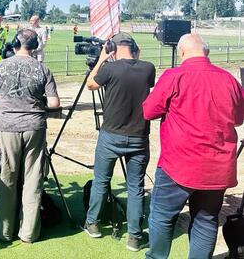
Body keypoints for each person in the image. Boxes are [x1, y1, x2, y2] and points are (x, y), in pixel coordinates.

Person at [143, 34, 244, 259]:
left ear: (181, 52)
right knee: (206, 221)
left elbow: (148, 111)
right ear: (206, 52)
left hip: (178, 165)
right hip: (217, 168)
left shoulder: (174, 76)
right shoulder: (229, 80)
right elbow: (238, 118)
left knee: (162, 216)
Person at [0, 28, 60, 243]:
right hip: (35, 127)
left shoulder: (2, 65)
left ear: (14, 44)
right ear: (35, 47)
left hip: (8, 126)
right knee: (33, 179)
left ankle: (5, 231)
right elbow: (54, 103)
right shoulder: (42, 68)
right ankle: (29, 232)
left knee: (7, 178)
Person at [83, 32, 156, 252]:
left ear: (112, 47)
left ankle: (93, 223)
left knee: (101, 181)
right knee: (135, 187)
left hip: (111, 135)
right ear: (134, 48)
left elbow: (90, 84)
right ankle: (134, 236)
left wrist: (102, 58)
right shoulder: (148, 68)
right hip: (138, 136)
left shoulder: (109, 68)